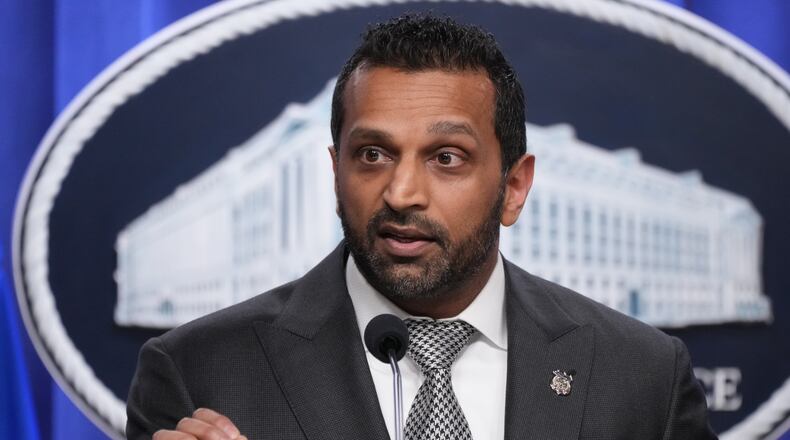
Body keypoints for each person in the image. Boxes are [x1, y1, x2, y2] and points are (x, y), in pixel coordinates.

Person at [126, 13, 717, 440]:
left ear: (513, 187)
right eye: (373, 155)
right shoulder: (197, 372)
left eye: (446, 158)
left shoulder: (642, 377)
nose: (401, 193)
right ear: (336, 173)